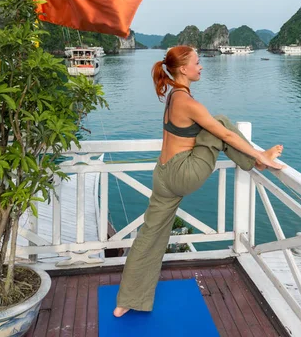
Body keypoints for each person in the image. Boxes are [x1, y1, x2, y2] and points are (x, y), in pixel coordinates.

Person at [113, 45, 284, 317]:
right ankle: (258, 161)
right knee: (221, 122)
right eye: (197, 61)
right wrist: (256, 153)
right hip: (183, 174)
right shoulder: (189, 103)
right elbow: (226, 136)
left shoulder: (172, 97)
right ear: (183, 69)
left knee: (149, 236)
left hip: (162, 173)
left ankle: (126, 301)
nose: (201, 66)